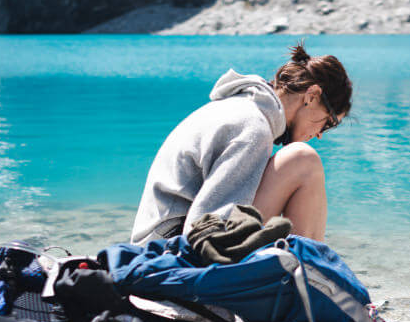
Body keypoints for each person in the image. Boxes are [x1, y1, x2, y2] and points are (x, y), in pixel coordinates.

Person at [131, 42, 352, 246]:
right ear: (312, 96)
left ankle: (305, 269)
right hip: (170, 254)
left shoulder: (243, 110)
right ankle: (310, 272)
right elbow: (203, 229)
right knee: (303, 161)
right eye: (328, 123)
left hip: (158, 244)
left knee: (299, 161)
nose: (320, 134)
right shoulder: (253, 127)